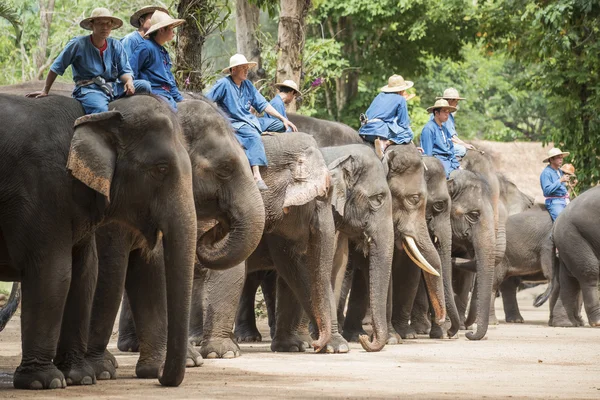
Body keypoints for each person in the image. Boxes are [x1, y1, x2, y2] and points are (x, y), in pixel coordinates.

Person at [27, 8, 150, 114]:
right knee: (101, 110)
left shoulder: (116, 45)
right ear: (92, 25)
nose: (105, 27)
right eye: (101, 23)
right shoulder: (78, 44)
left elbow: (124, 70)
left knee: (145, 85)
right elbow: (57, 67)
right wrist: (45, 90)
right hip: (89, 89)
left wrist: (129, 81)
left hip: (112, 87)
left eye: (108, 24)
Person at [206, 54, 298, 190]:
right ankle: (257, 175)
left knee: (280, 125)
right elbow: (206, 100)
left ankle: (266, 132)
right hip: (235, 122)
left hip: (251, 120)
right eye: (243, 68)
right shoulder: (224, 84)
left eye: (247, 68)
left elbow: (263, 104)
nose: (246, 70)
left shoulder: (247, 85)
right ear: (234, 70)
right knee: (253, 135)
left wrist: (283, 119)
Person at [129, 11, 185, 110]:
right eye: (171, 28)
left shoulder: (163, 51)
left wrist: (179, 98)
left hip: (166, 95)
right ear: (161, 30)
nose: (174, 32)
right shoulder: (146, 47)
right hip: (154, 94)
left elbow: (169, 78)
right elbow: (131, 71)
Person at [358, 74, 414, 153]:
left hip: (365, 131)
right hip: (380, 131)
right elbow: (403, 124)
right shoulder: (401, 99)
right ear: (401, 90)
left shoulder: (379, 96)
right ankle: (386, 143)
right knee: (409, 133)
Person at [419, 99, 460, 178]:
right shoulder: (429, 129)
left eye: (448, 112)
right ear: (437, 113)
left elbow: (451, 149)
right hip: (438, 160)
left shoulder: (444, 129)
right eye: (444, 111)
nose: (447, 114)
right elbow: (427, 154)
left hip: (448, 160)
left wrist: (456, 165)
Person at [436, 88, 475, 158]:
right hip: (441, 142)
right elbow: (450, 137)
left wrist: (463, 143)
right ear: (450, 100)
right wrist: (464, 144)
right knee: (462, 150)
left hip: (446, 141)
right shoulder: (443, 115)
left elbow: (451, 135)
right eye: (456, 101)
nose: (457, 103)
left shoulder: (449, 115)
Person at [540, 148, 571, 221]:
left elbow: (561, 190)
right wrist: (560, 180)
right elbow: (546, 191)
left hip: (564, 200)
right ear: (551, 160)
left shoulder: (560, 171)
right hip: (555, 203)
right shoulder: (546, 173)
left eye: (561, 157)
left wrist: (570, 186)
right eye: (558, 158)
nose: (561, 159)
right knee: (561, 222)